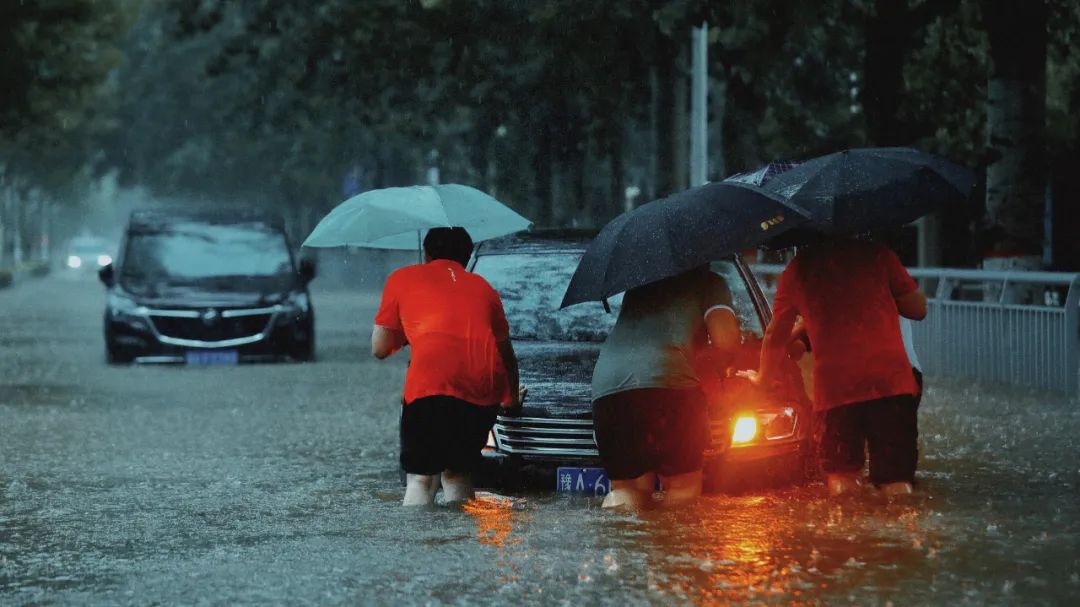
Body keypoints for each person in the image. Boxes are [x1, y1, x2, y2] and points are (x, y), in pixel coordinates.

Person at [757, 237, 927, 497]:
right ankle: (897, 536)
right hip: (890, 383)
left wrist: (762, 381)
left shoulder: (798, 269)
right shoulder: (879, 254)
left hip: (836, 390)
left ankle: (845, 534)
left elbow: (775, 338)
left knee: (842, 479)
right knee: (895, 481)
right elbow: (917, 310)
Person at [371, 227, 524, 506]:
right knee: (457, 473)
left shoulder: (402, 278)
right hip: (483, 387)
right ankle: (462, 545)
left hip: (430, 383)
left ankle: (417, 546)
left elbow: (379, 348)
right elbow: (506, 355)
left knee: (421, 479)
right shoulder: (485, 288)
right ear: (467, 258)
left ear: (426, 254)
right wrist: (511, 399)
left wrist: (411, 332)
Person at [590, 266, 740, 509]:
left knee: (628, 491)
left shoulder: (639, 281)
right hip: (670, 381)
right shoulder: (709, 282)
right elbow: (726, 341)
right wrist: (718, 370)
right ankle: (673, 547)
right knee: (682, 489)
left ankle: (619, 543)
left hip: (609, 385)